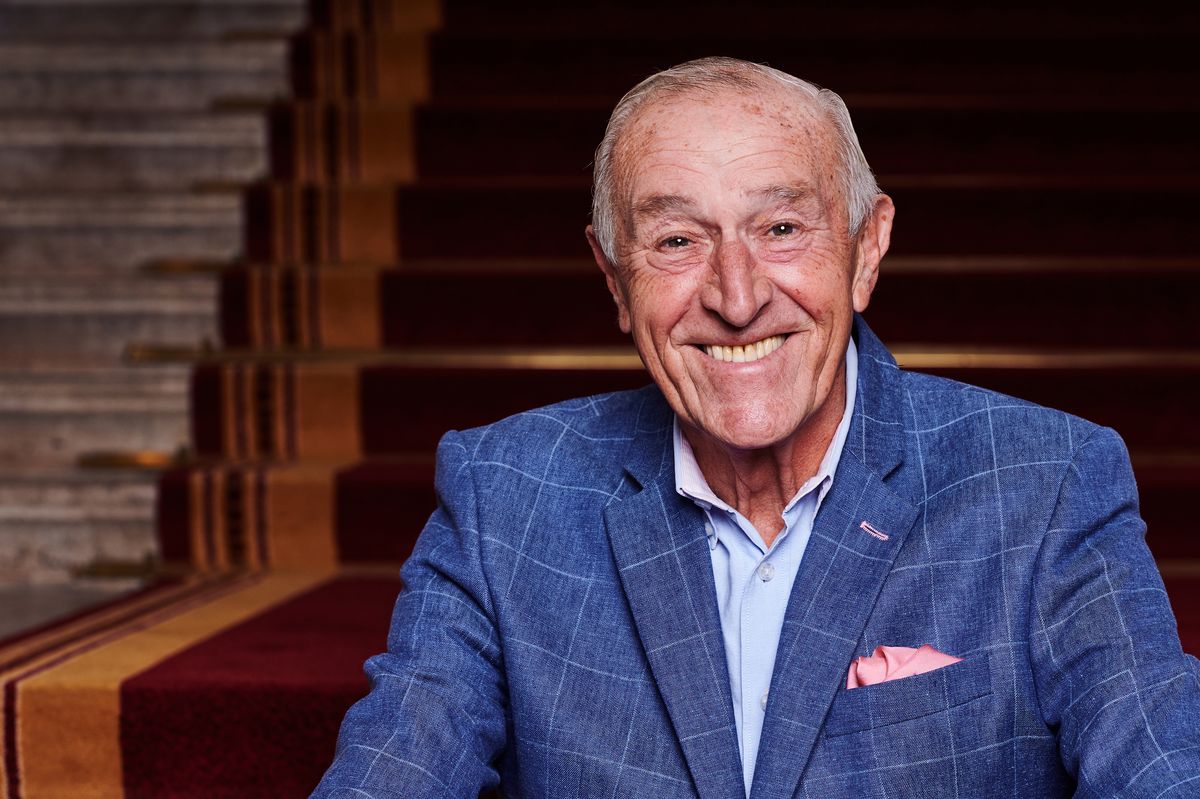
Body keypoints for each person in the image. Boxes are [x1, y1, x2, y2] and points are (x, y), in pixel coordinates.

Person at [312, 57, 1200, 798]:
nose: (737, 298)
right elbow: (393, 769)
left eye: (781, 227)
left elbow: (1165, 768)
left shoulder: (1047, 481)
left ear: (867, 248)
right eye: (676, 241)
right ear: (614, 278)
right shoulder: (503, 496)